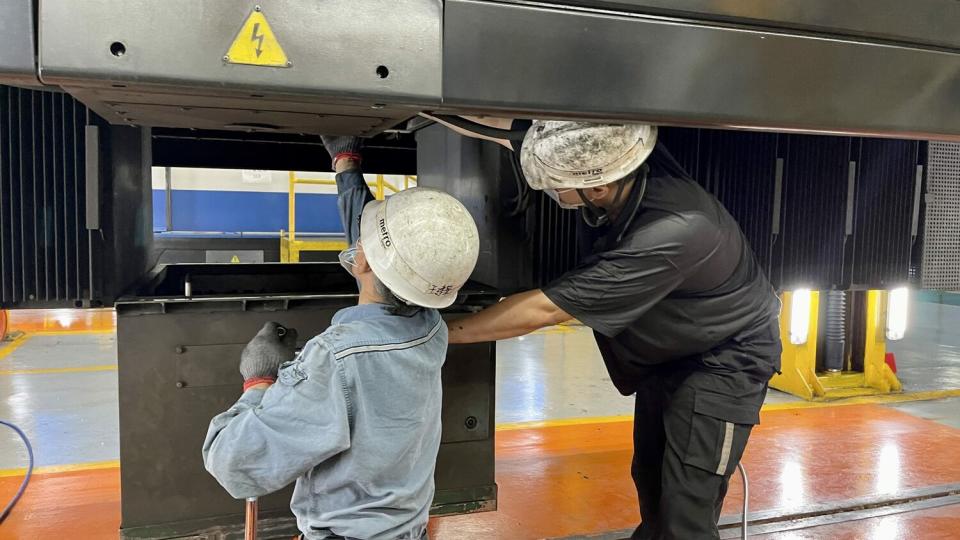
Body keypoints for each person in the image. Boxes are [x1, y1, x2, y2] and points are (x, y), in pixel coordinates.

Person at [443, 120, 782, 539]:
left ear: (597, 188)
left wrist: (444, 333)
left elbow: (544, 310)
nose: (553, 193)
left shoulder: (674, 232)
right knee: (651, 477)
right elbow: (520, 133)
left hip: (726, 361)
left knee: (686, 508)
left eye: (556, 187)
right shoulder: (622, 156)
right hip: (676, 350)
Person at [201, 136, 480, 540]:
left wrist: (258, 383)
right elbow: (383, 256)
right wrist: (345, 167)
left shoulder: (335, 358)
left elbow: (234, 464)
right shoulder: (430, 327)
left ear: (362, 258)